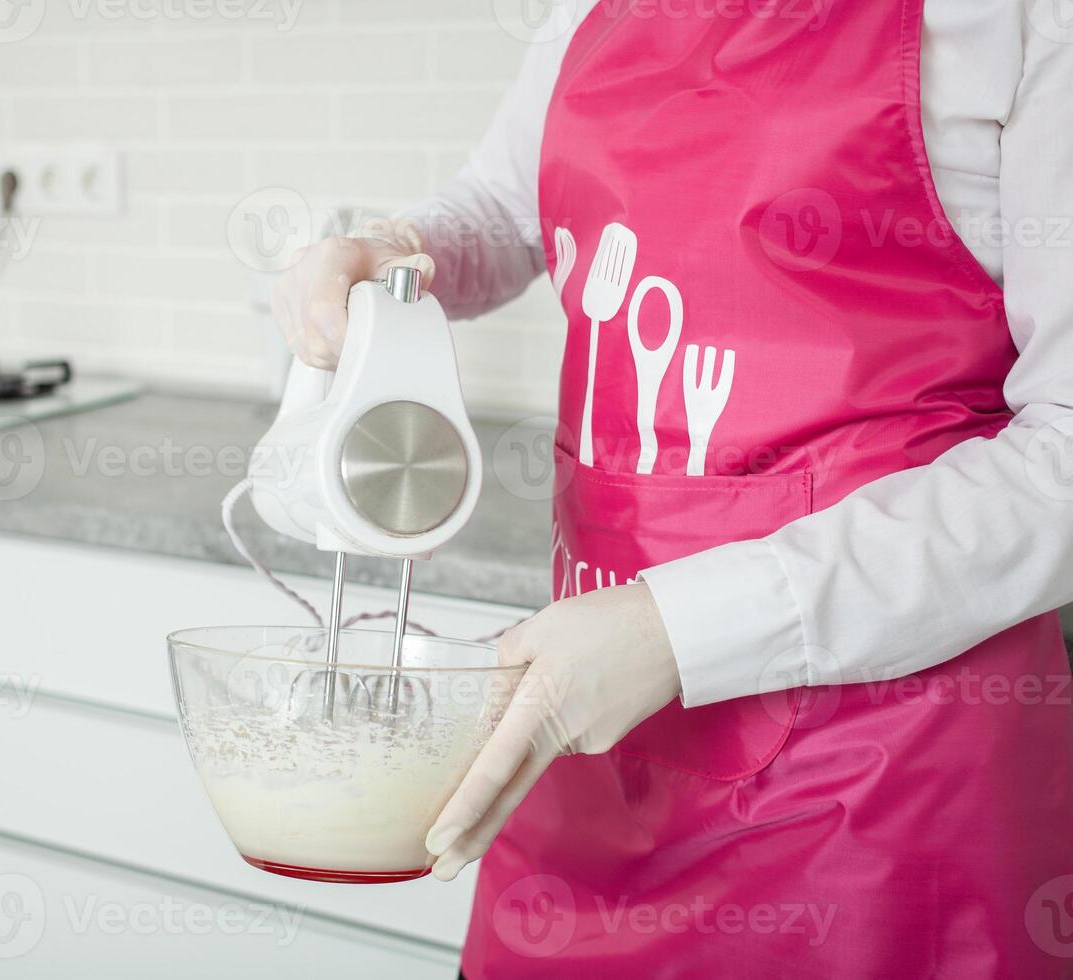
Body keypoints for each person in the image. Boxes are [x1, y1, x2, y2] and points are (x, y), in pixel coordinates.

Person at [271, 0, 1073, 975]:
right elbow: (504, 207)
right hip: (583, 724)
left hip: (883, 781)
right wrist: (399, 252)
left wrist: (674, 630)